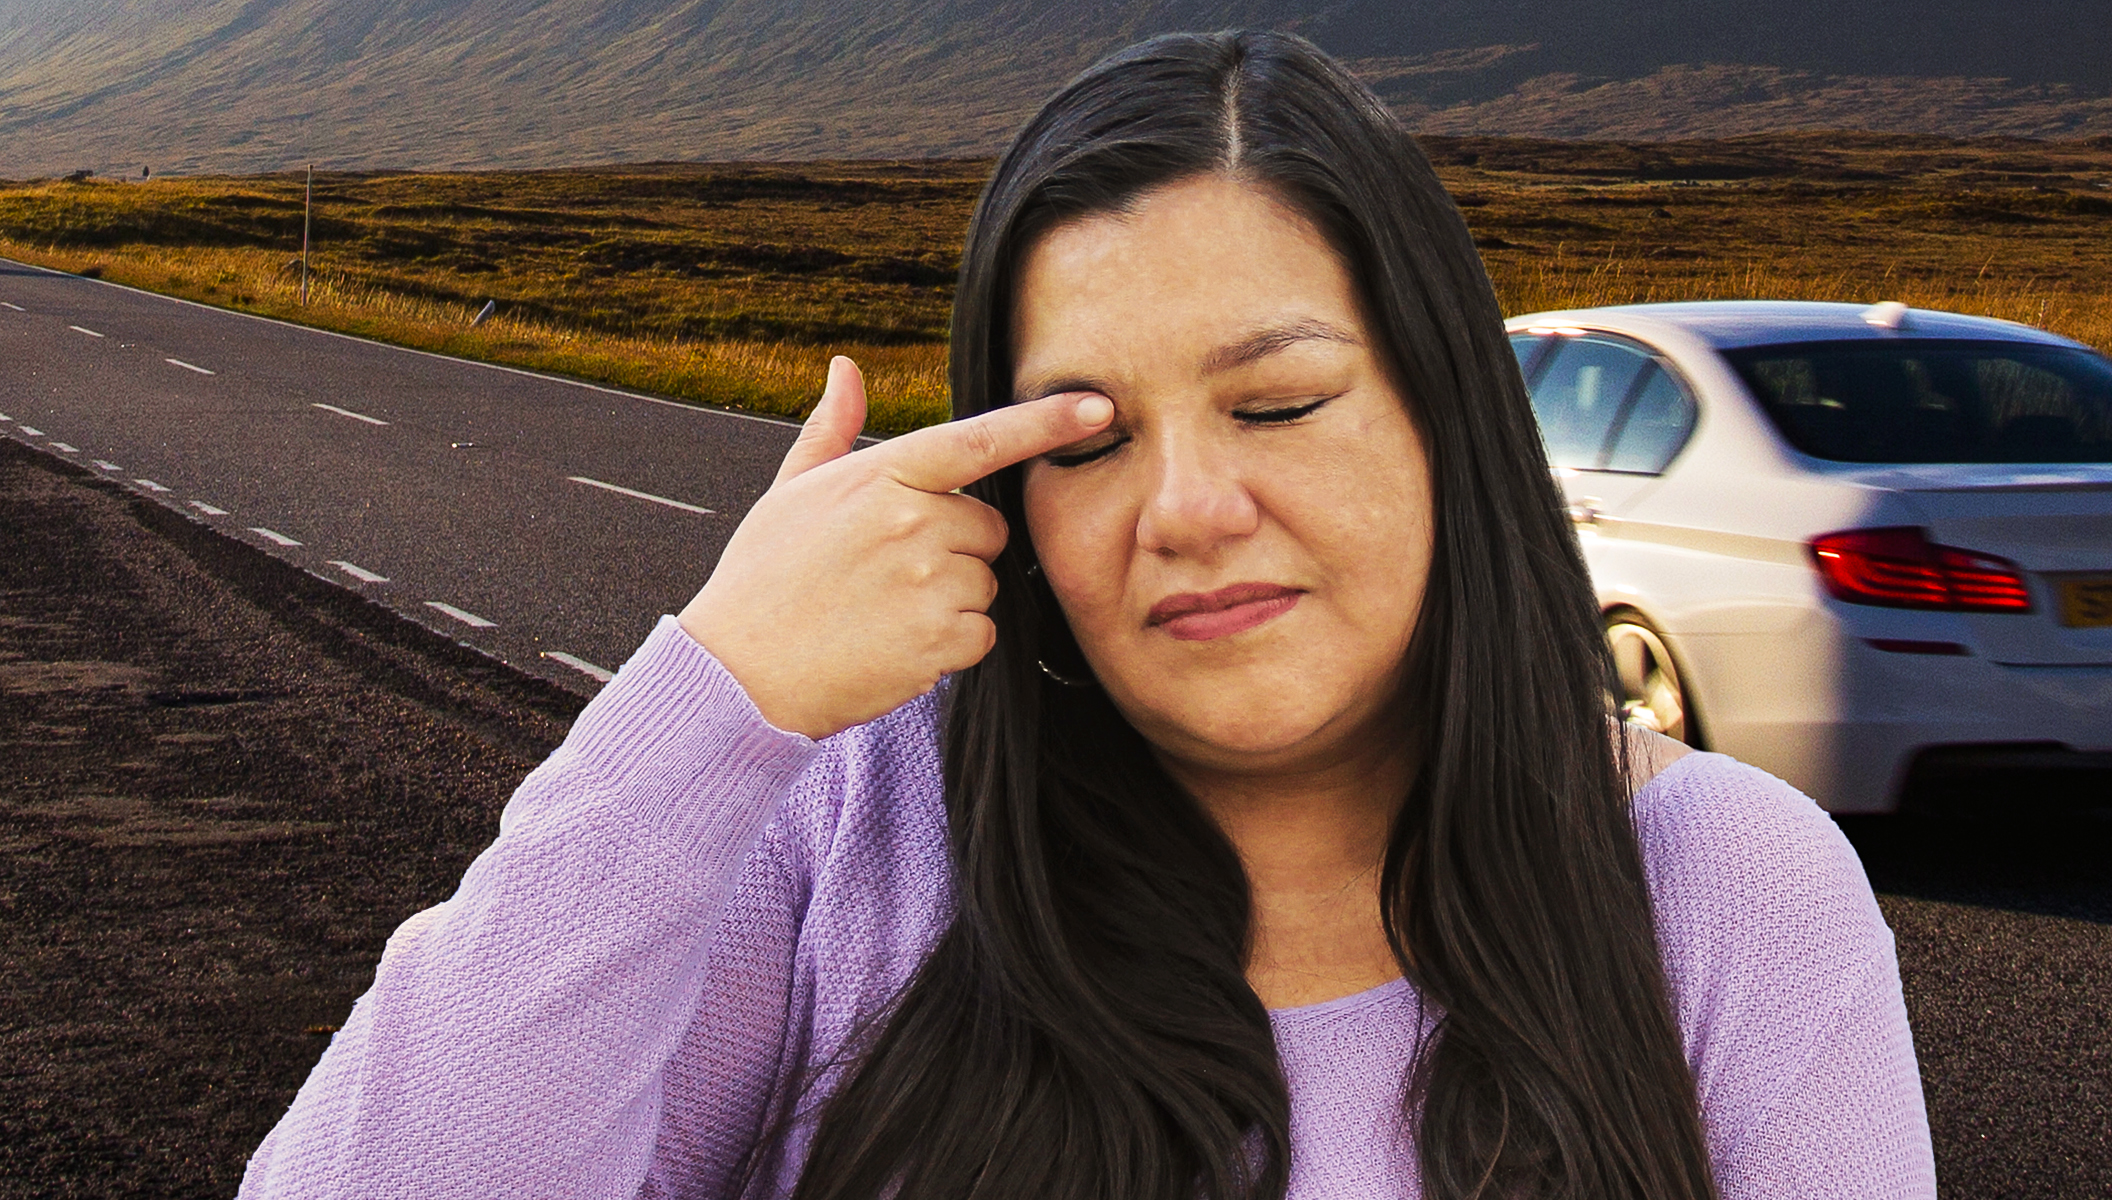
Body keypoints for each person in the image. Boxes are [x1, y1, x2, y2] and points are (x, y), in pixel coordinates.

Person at [237, 29, 1934, 1200]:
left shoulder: (1725, 896)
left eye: (1277, 405)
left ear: (1451, 422)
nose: (1188, 509)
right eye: (1092, 438)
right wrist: (713, 695)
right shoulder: (855, 835)